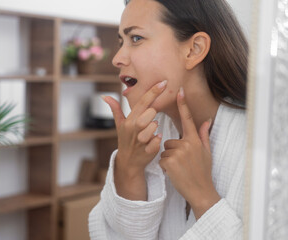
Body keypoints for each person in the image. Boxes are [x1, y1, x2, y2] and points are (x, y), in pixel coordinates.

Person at [89, 0, 248, 239]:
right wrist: (128, 168)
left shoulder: (264, 142)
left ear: (194, 49)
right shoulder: (150, 134)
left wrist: (202, 196)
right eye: (121, 41)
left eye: (136, 39)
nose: (117, 58)